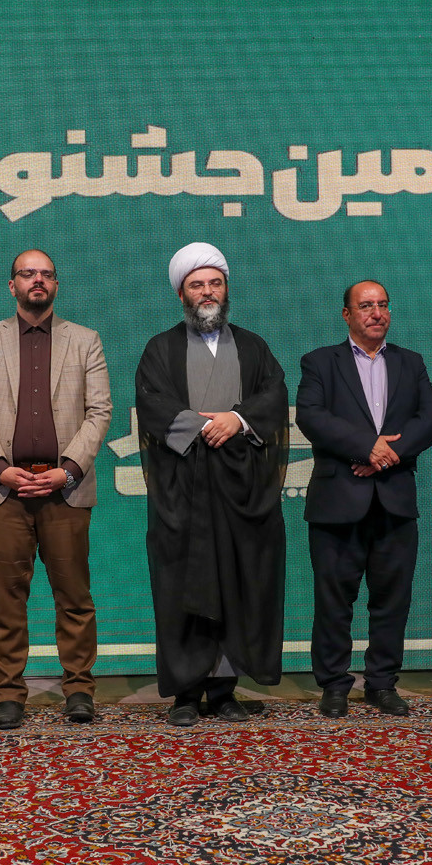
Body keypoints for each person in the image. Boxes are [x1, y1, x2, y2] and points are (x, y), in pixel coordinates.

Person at [136, 242, 289, 726]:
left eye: (215, 283)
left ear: (226, 290)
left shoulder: (254, 347)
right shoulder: (160, 349)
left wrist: (237, 419)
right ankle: (185, 693)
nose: (207, 292)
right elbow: (152, 403)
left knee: (236, 586)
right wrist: (202, 425)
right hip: (182, 493)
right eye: (197, 284)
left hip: (241, 489)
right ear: (181, 294)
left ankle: (224, 690)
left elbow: (274, 395)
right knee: (182, 585)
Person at [0, 250, 112, 731]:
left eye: (46, 274)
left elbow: (100, 412)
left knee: (75, 597)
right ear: (13, 286)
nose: (37, 281)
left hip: (65, 489)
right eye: (28, 274)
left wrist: (69, 470)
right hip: (4, 491)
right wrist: (0, 469)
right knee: (7, 601)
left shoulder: (85, 340)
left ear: (56, 285)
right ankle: (8, 694)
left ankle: (79, 690)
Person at [296, 280, 432, 718]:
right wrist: (366, 447)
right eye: (366, 306)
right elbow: (311, 416)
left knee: (392, 600)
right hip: (337, 502)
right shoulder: (320, 362)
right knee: (333, 601)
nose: (377, 313)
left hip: (394, 500)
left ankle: (382, 683)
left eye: (382, 305)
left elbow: (430, 417)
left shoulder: (410, 362)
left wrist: (387, 455)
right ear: (347, 314)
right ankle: (334, 685)